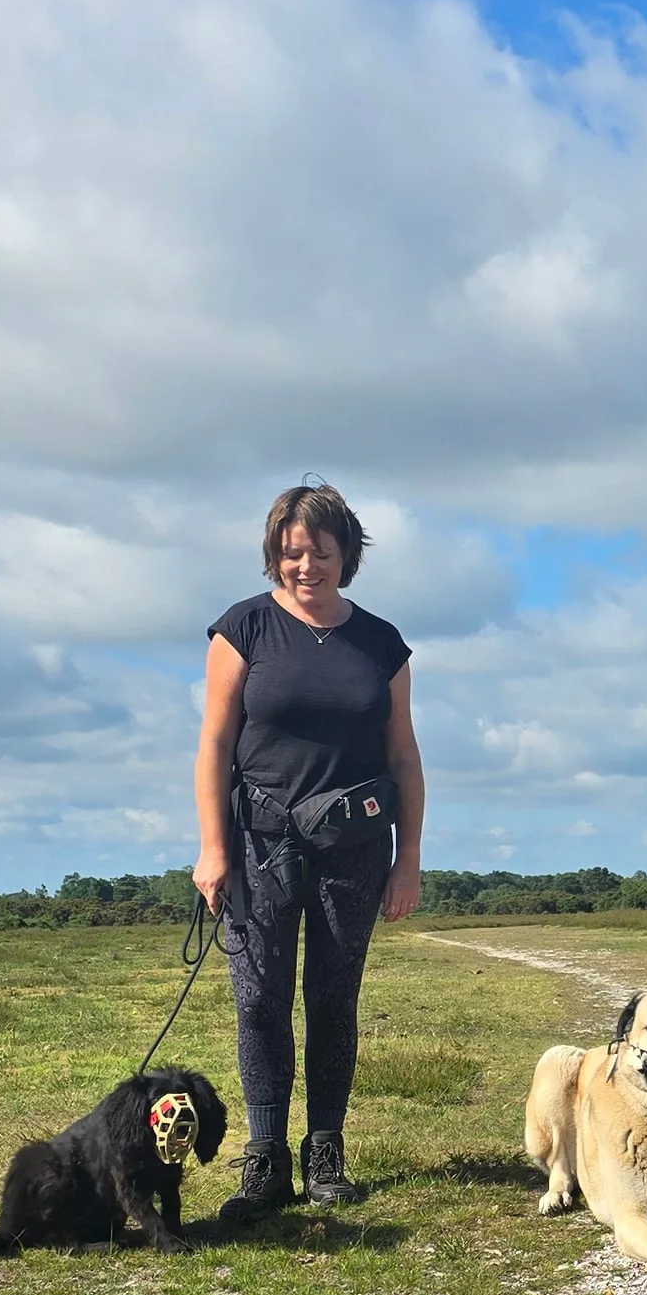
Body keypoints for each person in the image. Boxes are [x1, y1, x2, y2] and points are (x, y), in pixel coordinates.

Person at [194, 480, 424, 1222]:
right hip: (258, 842)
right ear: (274, 555)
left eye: (320, 552)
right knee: (259, 999)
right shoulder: (243, 630)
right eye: (292, 553)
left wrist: (408, 855)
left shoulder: (381, 643)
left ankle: (326, 1151)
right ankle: (265, 1160)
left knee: (332, 999)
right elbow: (215, 742)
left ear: (345, 554)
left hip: (353, 846)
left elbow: (404, 754)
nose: (305, 566)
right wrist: (211, 847)